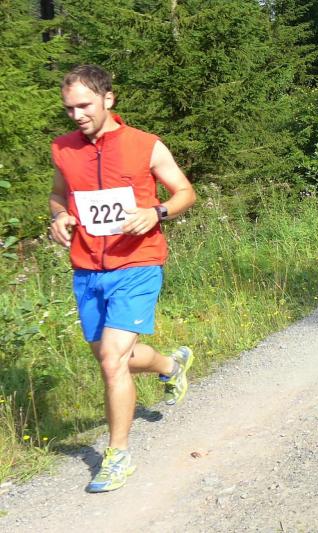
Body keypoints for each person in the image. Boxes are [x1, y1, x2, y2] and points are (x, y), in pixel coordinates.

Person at [49, 64, 197, 492]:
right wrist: (59, 217)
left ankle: (117, 456)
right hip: (87, 270)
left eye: (84, 105)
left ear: (108, 99)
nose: (77, 115)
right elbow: (58, 195)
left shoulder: (145, 145)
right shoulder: (63, 149)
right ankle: (171, 365)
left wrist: (156, 212)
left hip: (137, 264)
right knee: (112, 357)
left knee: (113, 360)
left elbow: (185, 192)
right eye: (69, 108)